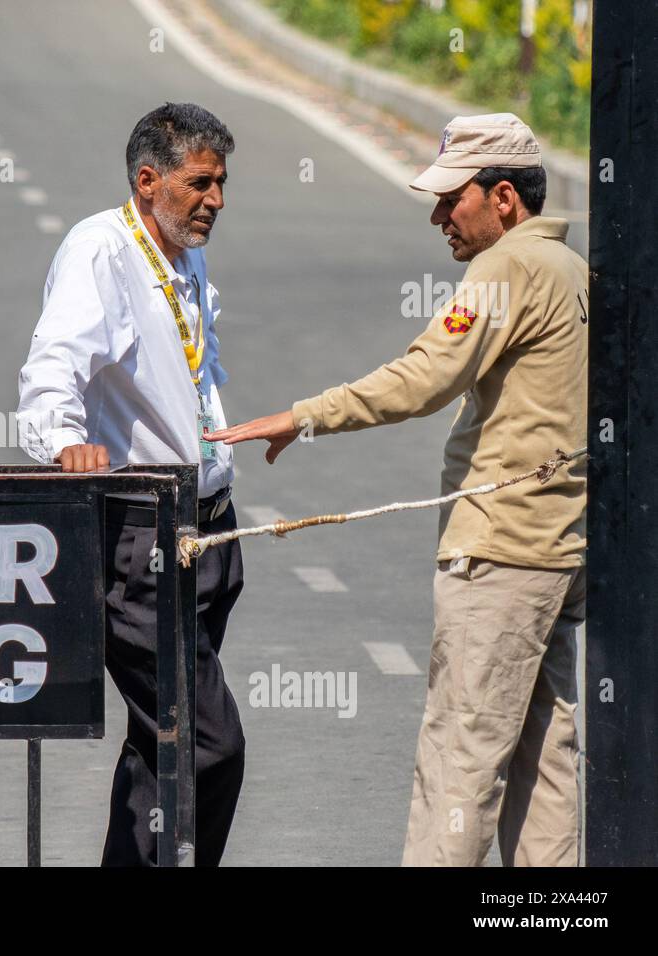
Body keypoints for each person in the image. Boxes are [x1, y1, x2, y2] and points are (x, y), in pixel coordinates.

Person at [211, 114, 587, 866]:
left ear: (504, 198)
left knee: (460, 759)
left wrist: (306, 415)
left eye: (453, 198)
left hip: (503, 555)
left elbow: (425, 376)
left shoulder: (507, 271)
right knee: (546, 761)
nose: (437, 216)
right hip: (558, 548)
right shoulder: (571, 271)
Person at [17, 102, 244, 866]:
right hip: (146, 541)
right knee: (211, 744)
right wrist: (66, 444)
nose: (215, 200)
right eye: (199, 184)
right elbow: (53, 367)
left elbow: (190, 370)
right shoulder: (102, 252)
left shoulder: (184, 252)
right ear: (148, 181)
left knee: (161, 743)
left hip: (209, 530)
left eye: (220, 184)